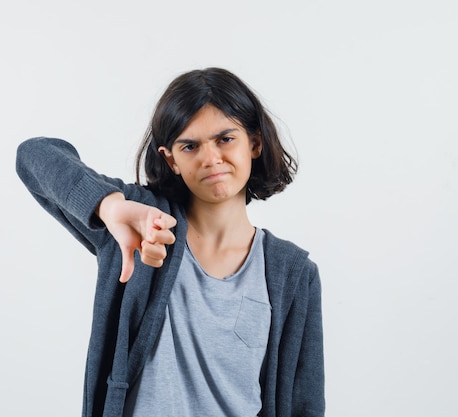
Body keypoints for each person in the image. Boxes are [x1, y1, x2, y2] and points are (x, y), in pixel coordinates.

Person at [16, 67, 325, 417]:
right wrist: (109, 206)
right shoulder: (141, 226)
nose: (210, 158)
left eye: (225, 139)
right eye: (190, 146)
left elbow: (304, 405)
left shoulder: (292, 272)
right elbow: (34, 155)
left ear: (254, 143)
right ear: (170, 159)